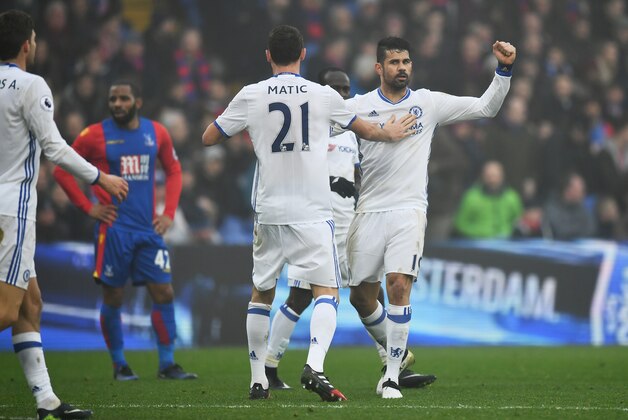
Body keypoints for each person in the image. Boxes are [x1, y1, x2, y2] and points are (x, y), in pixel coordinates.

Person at [202, 25, 416, 401]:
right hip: (313, 212)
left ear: (268, 56)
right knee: (326, 292)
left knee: (262, 293)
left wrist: (253, 132)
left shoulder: (251, 95)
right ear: (303, 55)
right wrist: (392, 131)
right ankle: (314, 365)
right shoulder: (322, 96)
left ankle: (257, 379)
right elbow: (367, 130)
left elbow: (210, 137)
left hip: (268, 209)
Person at [346, 36, 516, 399]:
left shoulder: (428, 103)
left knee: (398, 285)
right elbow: (319, 128)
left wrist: (503, 70)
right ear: (379, 68)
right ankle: (398, 352)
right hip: (369, 210)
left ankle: (390, 375)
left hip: (409, 209)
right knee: (361, 297)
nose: (402, 68)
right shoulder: (358, 106)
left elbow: (486, 108)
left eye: (406, 61)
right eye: (394, 63)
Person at [264, 67, 436, 391]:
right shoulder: (310, 128)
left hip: (350, 225)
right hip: (315, 225)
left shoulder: (352, 132)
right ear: (323, 93)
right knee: (300, 296)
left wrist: (357, 190)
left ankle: (393, 363)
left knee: (372, 291)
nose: (342, 96)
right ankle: (270, 365)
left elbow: (358, 174)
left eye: (345, 90)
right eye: (335, 90)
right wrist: (332, 184)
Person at [0, 9, 128, 420]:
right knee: (6, 308)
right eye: (34, 40)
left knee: (29, 305)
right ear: (26, 45)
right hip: (11, 209)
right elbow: (53, 147)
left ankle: (47, 402)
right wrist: (100, 178)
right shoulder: (31, 84)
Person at [53, 81, 197, 382]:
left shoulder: (156, 132)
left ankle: (167, 364)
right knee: (114, 296)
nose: (117, 103)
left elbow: (173, 170)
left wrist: (168, 213)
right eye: (113, 99)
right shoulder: (93, 135)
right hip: (114, 231)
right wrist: (87, 207)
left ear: (138, 102)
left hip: (148, 229)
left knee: (164, 291)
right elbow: (61, 169)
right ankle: (120, 365)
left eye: (124, 98)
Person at [453, 160, 523, 238]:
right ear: (483, 176)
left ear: (502, 176)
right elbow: (460, 224)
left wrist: (508, 233)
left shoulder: (512, 197)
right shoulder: (471, 197)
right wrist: (480, 234)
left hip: (506, 243)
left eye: (495, 176)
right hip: (477, 244)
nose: (492, 179)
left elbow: (519, 221)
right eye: (489, 176)